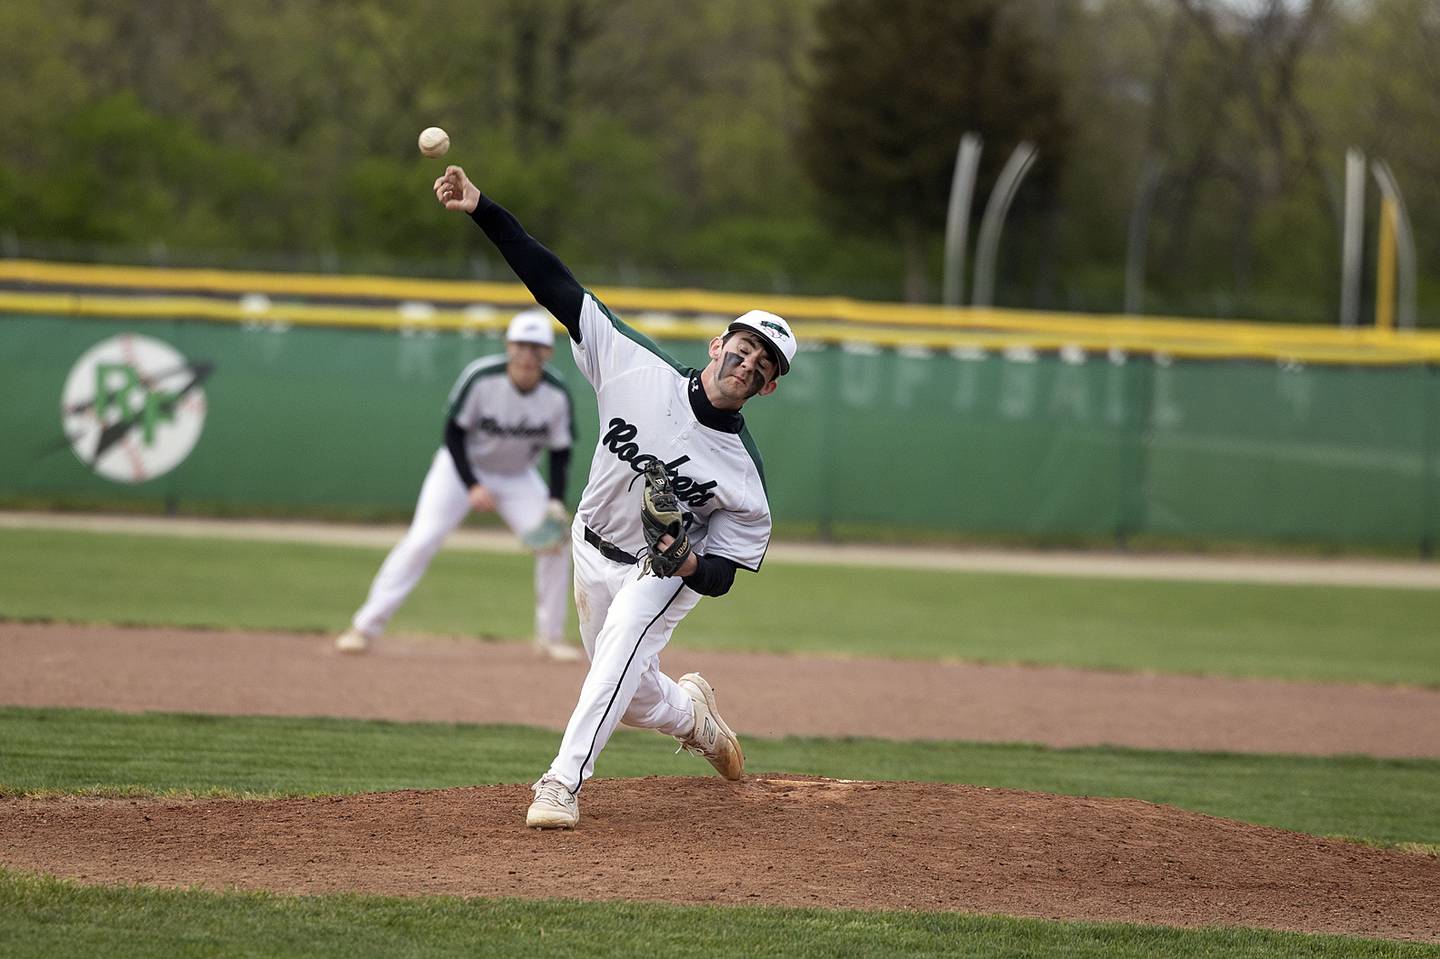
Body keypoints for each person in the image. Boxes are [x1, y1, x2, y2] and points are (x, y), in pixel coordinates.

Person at [432, 163, 798, 830]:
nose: (747, 365)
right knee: (623, 686)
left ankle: (561, 783)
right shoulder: (633, 364)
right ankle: (694, 717)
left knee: (624, 646)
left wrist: (686, 564)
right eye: (743, 349)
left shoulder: (742, 475)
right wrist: (482, 206)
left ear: (767, 388)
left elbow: (722, 575)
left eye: (762, 366)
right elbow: (550, 280)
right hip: (590, 542)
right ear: (717, 344)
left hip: (658, 568)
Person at [335, 309, 582, 662]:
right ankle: (363, 628)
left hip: (517, 477)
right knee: (421, 540)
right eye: (521, 345)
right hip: (459, 469)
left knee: (556, 544)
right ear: (508, 346)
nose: (527, 354)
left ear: (548, 353)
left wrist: (555, 500)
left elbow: (560, 451)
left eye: (536, 347)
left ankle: (550, 637)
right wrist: (471, 484)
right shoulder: (481, 378)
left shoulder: (556, 394)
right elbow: (453, 433)